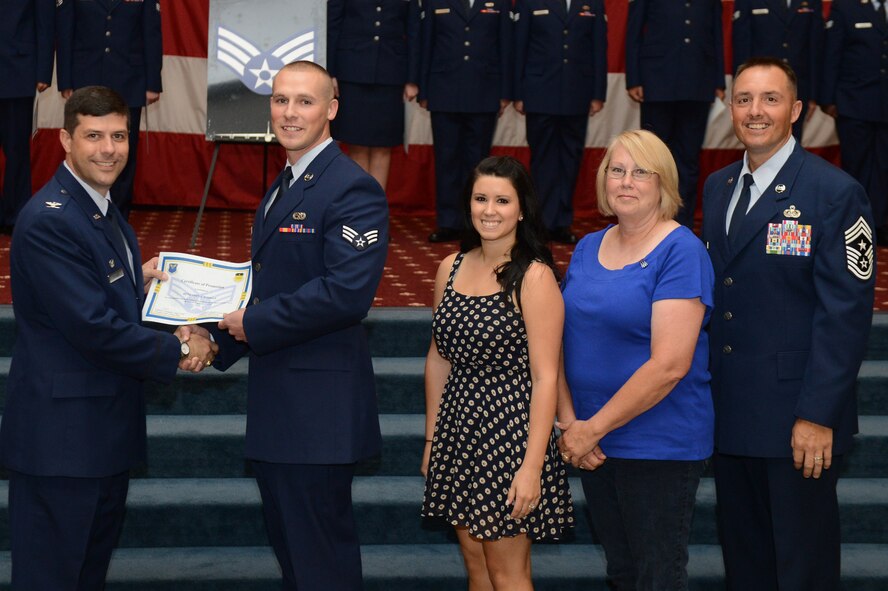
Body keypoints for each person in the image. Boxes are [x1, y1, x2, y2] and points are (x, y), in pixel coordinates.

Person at [0, 85, 216, 590]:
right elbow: (93, 327)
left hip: (99, 435)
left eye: (118, 135)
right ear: (65, 140)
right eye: (93, 136)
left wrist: (164, 305)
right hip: (63, 443)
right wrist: (182, 347)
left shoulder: (101, 208)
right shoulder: (50, 220)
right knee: (53, 577)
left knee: (85, 575)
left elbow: (103, 298)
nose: (108, 148)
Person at [198, 61, 388, 590]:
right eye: (280, 100)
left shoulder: (352, 188)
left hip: (318, 419)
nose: (289, 112)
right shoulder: (286, 183)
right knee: (295, 562)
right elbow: (269, 286)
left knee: (320, 564)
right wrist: (212, 339)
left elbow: (345, 296)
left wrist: (248, 323)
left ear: (331, 109)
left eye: (304, 101)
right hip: (280, 408)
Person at [701, 57, 875, 590]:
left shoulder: (835, 193)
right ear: (731, 108)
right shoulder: (717, 186)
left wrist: (817, 416)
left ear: (796, 110)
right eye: (745, 99)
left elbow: (844, 317)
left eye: (770, 99)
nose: (756, 111)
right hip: (731, 413)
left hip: (797, 421)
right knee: (746, 563)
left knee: (802, 568)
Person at [556, 129, 715, 591]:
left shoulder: (681, 250)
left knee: (656, 576)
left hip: (658, 444)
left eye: (640, 172)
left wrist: (591, 428)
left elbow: (669, 365)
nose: (626, 181)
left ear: (663, 182)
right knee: (622, 572)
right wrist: (572, 428)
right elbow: (561, 344)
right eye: (617, 170)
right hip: (593, 446)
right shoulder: (588, 246)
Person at [422, 156, 573, 590]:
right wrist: (433, 439)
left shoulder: (534, 277)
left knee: (508, 575)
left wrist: (531, 467)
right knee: (477, 569)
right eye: (481, 198)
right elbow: (438, 358)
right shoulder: (448, 267)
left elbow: (546, 376)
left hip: (510, 436)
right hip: (457, 430)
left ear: (521, 208)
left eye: (502, 200)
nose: (490, 210)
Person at [56, 0, 163, 220]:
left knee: (123, 151)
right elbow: (65, 32)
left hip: (129, 80)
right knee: (85, 149)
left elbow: (151, 34)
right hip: (85, 77)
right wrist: (65, 80)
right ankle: (84, 211)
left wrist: (152, 83)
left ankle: (118, 215)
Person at [513, 0, 608, 244]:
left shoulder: (592, 4)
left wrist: (598, 93)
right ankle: (540, 221)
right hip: (539, 91)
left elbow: (599, 47)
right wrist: (518, 93)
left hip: (578, 91)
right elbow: (519, 46)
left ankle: (561, 222)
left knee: (570, 159)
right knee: (542, 160)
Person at [625, 0, 726, 228]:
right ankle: (650, 219)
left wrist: (718, 80)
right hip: (657, 81)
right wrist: (634, 78)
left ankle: (682, 221)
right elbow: (634, 33)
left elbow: (716, 34)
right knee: (652, 159)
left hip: (698, 82)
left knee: (688, 160)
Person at [419, 0, 513, 243]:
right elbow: (426, 43)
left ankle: (475, 222)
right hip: (443, 90)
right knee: (446, 160)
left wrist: (505, 92)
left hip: (485, 91)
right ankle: (448, 222)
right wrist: (425, 91)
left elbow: (506, 45)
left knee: (479, 164)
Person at [327, 0, 421, 190]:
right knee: (356, 145)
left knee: (383, 146)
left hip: (391, 74)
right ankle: (357, 207)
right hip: (352, 73)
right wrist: (331, 73)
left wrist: (412, 78)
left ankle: (375, 209)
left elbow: (414, 31)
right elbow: (332, 26)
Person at [820, 0, 888, 244]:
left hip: (884, 104)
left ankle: (878, 224)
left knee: (883, 168)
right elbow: (832, 53)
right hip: (854, 101)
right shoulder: (846, 7)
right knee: (856, 167)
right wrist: (827, 99)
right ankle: (853, 224)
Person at [731, 0, 824, 140]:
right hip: (758, 86)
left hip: (798, 85)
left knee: (793, 139)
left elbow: (816, 47)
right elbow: (741, 46)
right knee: (759, 137)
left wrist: (813, 95)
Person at [0, 0, 54, 234]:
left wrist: (43, 71)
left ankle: (14, 215)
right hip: (16, 70)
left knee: (16, 151)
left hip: (17, 70)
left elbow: (45, 23)